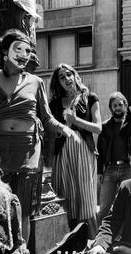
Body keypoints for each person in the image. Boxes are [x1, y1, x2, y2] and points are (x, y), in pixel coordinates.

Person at [0, 29, 78, 244]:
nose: (25, 54)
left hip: (27, 151)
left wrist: (64, 129)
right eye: (19, 49)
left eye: (28, 50)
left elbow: (46, 117)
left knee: (23, 209)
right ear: (5, 52)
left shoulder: (36, 82)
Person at [48, 63, 102, 240]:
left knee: (86, 197)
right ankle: (67, 240)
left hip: (84, 151)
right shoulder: (54, 104)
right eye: (61, 77)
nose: (67, 79)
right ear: (58, 83)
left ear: (75, 75)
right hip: (61, 151)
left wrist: (75, 120)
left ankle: (93, 240)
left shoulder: (90, 97)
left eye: (69, 74)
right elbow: (50, 130)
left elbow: (98, 128)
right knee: (63, 193)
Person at [97, 92, 131, 222]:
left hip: (127, 168)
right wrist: (99, 171)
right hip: (110, 169)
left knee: (126, 204)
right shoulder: (105, 126)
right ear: (111, 108)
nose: (117, 108)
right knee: (104, 206)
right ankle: (99, 234)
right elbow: (100, 151)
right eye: (114, 105)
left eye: (120, 105)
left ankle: (123, 233)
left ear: (125, 106)